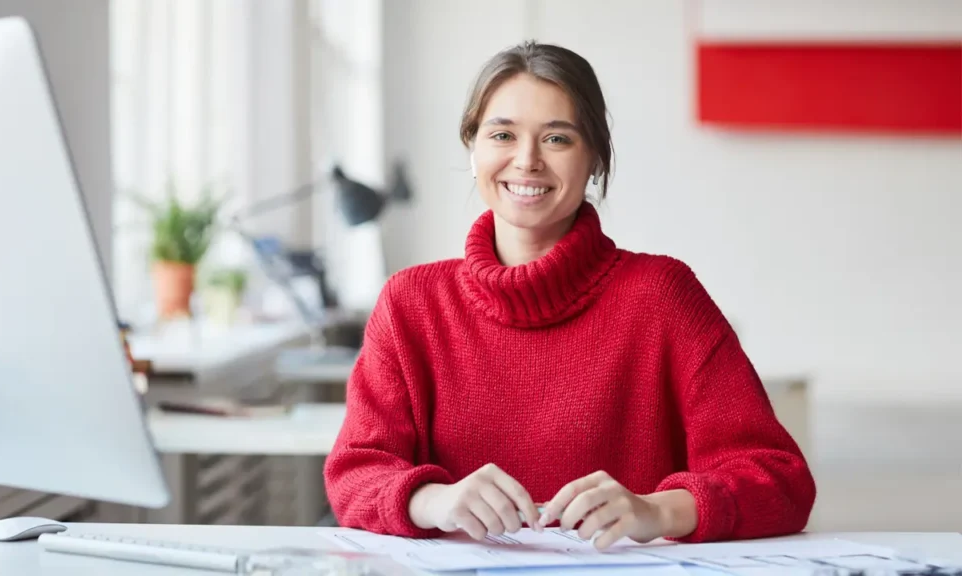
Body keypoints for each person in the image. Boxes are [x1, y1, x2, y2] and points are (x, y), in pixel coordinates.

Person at [322, 41, 815, 549]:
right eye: (502, 134)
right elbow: (355, 476)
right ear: (474, 149)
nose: (527, 160)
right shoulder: (411, 304)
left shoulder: (664, 296)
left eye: (557, 138)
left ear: (595, 157)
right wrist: (433, 500)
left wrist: (658, 510)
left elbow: (779, 480)